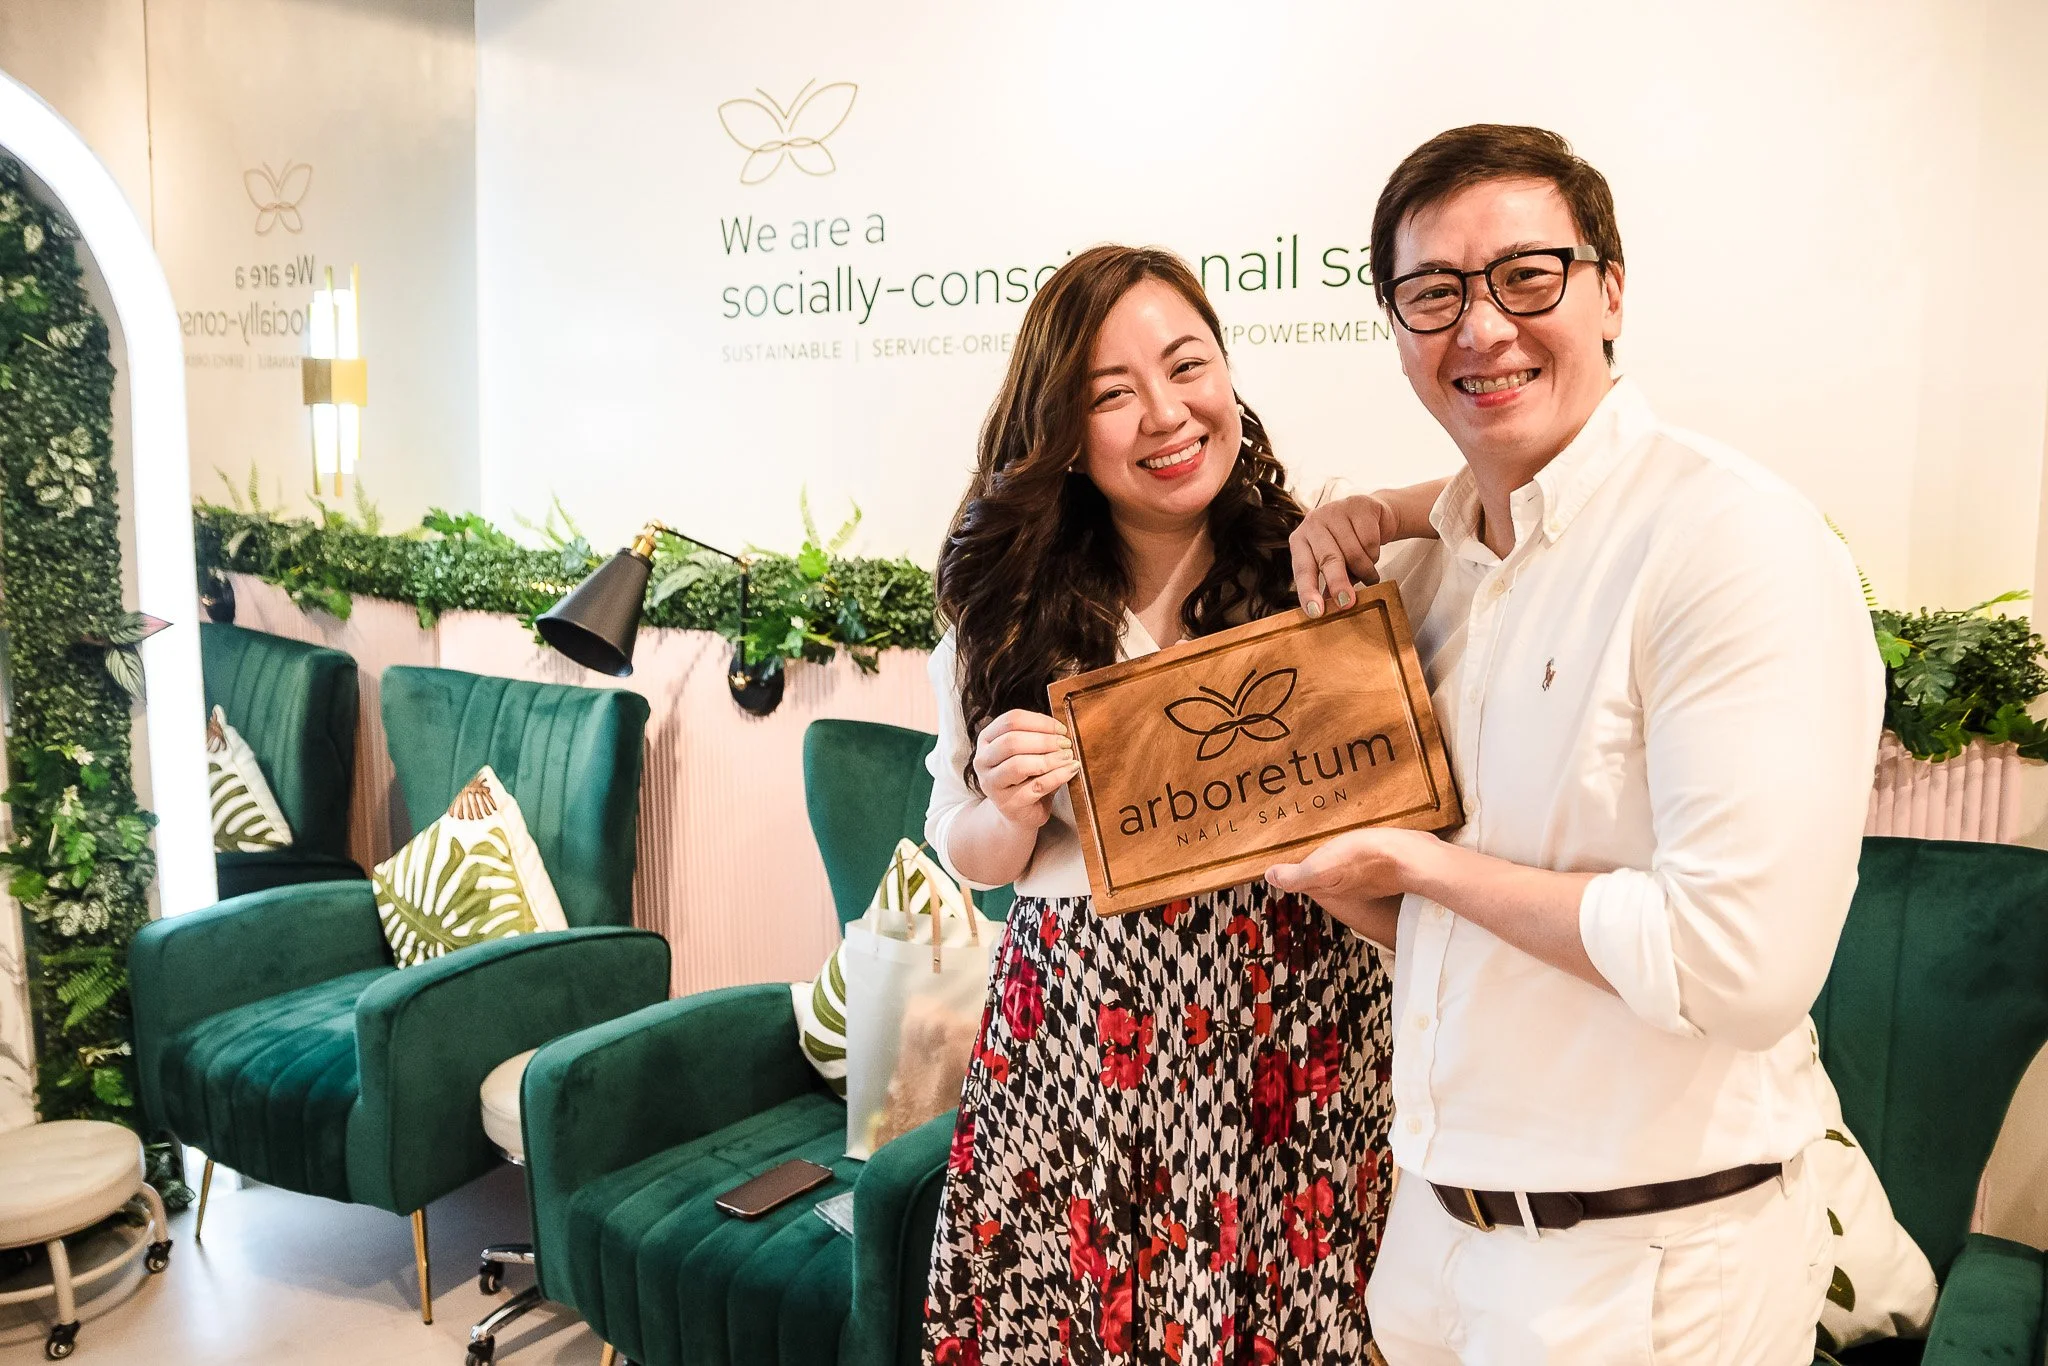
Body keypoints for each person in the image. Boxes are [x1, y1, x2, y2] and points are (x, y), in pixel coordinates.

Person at [1267, 124, 1885, 1365]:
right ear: (1394, 330)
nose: (1479, 328)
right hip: (1434, 1244)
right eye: (1429, 293)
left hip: (1649, 1273)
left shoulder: (1728, 542)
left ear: (1609, 287)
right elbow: (1465, 945)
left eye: (1525, 276)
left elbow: (1737, 968)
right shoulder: (1430, 572)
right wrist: (1357, 883)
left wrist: (1421, 867)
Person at [920, 245, 1437, 1364]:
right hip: (1075, 1044)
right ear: (1061, 429)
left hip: (1293, 1027)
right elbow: (963, 850)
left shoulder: (1319, 571)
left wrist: (1384, 507)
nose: (1165, 414)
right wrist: (1004, 808)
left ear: (1227, 377)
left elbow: (1511, 507)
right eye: (1111, 394)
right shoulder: (1004, 607)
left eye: (1185, 366)